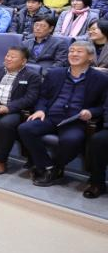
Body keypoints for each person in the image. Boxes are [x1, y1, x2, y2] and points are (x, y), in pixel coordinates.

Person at [19, 42, 108, 186]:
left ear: (90, 57)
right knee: (25, 128)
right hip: (50, 116)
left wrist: (91, 112)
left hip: (75, 121)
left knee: (71, 140)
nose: (73, 54)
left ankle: (55, 167)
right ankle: (48, 166)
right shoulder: (55, 73)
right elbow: (43, 96)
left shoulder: (101, 79)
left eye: (79, 51)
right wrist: (40, 109)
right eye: (71, 51)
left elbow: (103, 106)